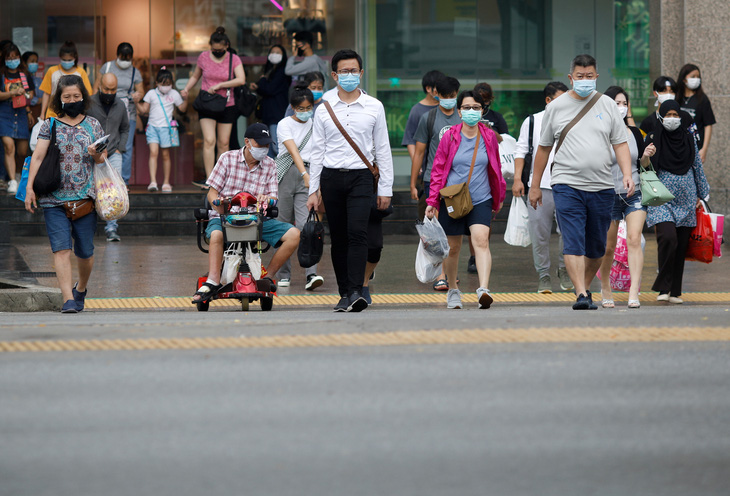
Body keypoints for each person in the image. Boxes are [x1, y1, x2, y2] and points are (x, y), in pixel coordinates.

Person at [529, 54, 634, 310]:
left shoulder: (607, 105)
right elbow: (543, 149)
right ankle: (580, 294)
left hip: (602, 186)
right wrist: (535, 185)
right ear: (570, 77)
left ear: (596, 77)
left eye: (589, 76)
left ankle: (584, 287)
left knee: (597, 248)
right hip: (566, 184)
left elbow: (619, 143)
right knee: (573, 239)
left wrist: (627, 173)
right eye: (580, 76)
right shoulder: (556, 107)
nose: (585, 80)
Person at [306, 49, 394, 313]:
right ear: (334, 75)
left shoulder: (374, 106)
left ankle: (357, 291)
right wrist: (313, 190)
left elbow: (383, 149)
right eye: (343, 71)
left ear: (361, 73)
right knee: (340, 238)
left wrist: (386, 188)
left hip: (361, 178)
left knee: (359, 234)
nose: (349, 75)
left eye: (353, 71)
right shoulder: (323, 107)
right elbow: (316, 151)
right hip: (331, 178)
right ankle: (344, 292)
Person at [23, 75, 106, 313]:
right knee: (61, 249)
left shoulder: (94, 125)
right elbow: (37, 157)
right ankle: (68, 298)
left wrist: (95, 153)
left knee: (86, 252)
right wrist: (29, 188)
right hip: (53, 199)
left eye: (76, 96)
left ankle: (81, 289)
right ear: (59, 99)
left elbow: (103, 159)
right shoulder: (49, 125)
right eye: (67, 97)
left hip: (85, 199)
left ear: (83, 97)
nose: (72, 100)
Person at [192, 123, 300, 304]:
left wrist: (267, 199)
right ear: (247, 142)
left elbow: (274, 198)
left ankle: (267, 277)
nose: (265, 149)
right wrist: (218, 204)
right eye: (260, 145)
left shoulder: (270, 164)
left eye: (267, 145)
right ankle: (213, 280)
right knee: (217, 234)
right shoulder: (227, 158)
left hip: (256, 219)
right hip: (225, 217)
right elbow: (212, 192)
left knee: (294, 234)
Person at [425, 90, 506, 309]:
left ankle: (483, 289)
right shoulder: (450, 136)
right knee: (453, 247)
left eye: (476, 108)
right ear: (459, 112)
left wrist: (499, 196)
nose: (472, 111)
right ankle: (453, 290)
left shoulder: (489, 136)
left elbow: (496, 169)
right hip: (452, 199)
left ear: (483, 111)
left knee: (481, 240)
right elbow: (438, 169)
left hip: (481, 198)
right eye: (467, 108)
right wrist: (432, 201)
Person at [598, 86, 656, 309]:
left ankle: (633, 292)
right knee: (608, 247)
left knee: (634, 239)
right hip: (608, 194)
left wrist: (645, 157)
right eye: (616, 103)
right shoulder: (600, 132)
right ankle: (605, 287)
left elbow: (642, 166)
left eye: (624, 104)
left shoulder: (633, 133)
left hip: (635, 192)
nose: (621, 108)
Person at [646, 100, 710, 304]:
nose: (672, 119)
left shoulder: (688, 139)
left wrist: (703, 194)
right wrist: (646, 157)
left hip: (687, 200)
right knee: (668, 238)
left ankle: (673, 291)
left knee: (680, 245)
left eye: (676, 115)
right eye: (669, 115)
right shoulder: (654, 138)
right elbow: (645, 168)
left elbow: (697, 166)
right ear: (662, 116)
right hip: (661, 198)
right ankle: (662, 285)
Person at [513, 81, 572, 294]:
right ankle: (544, 274)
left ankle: (564, 269)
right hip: (540, 186)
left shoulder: (573, 118)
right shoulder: (532, 121)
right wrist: (518, 180)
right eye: (560, 99)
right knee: (539, 233)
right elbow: (521, 151)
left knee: (568, 231)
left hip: (568, 185)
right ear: (548, 100)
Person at [409, 75, 461, 291]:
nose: (449, 100)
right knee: (437, 230)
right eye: (445, 96)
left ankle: (450, 272)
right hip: (434, 180)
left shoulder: (463, 117)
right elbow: (419, 152)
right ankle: (441, 275)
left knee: (454, 233)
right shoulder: (428, 118)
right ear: (436, 94)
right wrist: (414, 183)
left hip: (459, 184)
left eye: (453, 96)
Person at [274, 84, 324, 290]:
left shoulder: (317, 123)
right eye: (300, 108)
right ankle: (283, 273)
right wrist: (305, 174)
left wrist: (314, 180)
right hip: (287, 174)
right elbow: (293, 151)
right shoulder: (284, 124)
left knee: (307, 226)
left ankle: (311, 274)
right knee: (283, 225)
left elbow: (321, 151)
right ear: (293, 107)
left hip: (310, 174)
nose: (305, 112)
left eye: (308, 107)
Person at [181, 27, 245, 184]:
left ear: (226, 46)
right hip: (207, 103)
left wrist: (221, 85)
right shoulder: (203, 57)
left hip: (227, 104)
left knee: (224, 143)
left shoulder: (233, 59)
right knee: (209, 140)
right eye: (213, 49)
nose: (216, 51)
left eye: (219, 49)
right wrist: (186, 89)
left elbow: (241, 79)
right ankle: (210, 178)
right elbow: (196, 75)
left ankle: (220, 178)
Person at [87, 72, 130, 242]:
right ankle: (88, 225)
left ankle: (111, 228)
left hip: (113, 153)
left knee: (114, 191)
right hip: (92, 154)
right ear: (100, 86)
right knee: (92, 189)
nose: (110, 92)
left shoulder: (120, 105)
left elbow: (125, 128)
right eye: (106, 89)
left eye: (113, 89)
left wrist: (120, 148)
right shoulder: (89, 103)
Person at [94, 42, 144, 185]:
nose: (125, 61)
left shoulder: (135, 72)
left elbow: (141, 91)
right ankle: (101, 181)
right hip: (105, 109)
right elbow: (96, 86)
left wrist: (137, 95)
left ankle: (124, 181)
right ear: (117, 55)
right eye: (123, 57)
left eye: (128, 58)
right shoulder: (107, 67)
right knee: (100, 145)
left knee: (125, 146)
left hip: (127, 111)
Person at [136, 67, 187, 193]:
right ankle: (153, 182)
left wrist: (186, 99)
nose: (166, 86)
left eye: (168, 84)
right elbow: (144, 110)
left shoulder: (174, 94)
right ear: (157, 83)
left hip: (166, 128)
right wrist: (136, 103)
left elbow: (182, 109)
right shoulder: (151, 93)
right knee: (154, 153)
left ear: (172, 83)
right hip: (152, 127)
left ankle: (166, 182)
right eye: (163, 84)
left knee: (165, 155)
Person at [0, 42, 35, 195]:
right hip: (5, 113)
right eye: (9, 57)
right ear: (4, 59)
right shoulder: (1, 74)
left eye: (15, 57)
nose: (12, 60)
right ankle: (12, 181)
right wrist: (12, 93)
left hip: (21, 112)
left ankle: (19, 175)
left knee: (22, 151)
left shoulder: (24, 74)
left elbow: (31, 94)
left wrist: (28, 111)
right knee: (8, 146)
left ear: (19, 58)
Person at [250, 45, 292, 158]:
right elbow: (266, 90)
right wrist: (259, 86)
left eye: (278, 52)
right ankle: (272, 173)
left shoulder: (283, 72)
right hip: (267, 115)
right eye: (272, 52)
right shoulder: (270, 71)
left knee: (276, 147)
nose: (275, 54)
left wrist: (262, 80)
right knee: (268, 149)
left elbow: (269, 89)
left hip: (276, 114)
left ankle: (284, 172)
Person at [39, 41, 93, 120]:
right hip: (53, 114)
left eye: (69, 60)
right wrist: (42, 114)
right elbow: (46, 94)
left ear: (75, 58)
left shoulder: (81, 72)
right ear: (60, 57)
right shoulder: (52, 71)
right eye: (64, 60)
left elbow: (87, 94)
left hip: (75, 115)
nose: (66, 62)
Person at [676, 63, 716, 164]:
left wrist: (704, 149)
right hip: (676, 145)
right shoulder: (676, 98)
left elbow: (708, 125)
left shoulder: (702, 99)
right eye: (693, 76)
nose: (696, 79)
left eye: (698, 77)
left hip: (695, 147)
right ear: (684, 79)